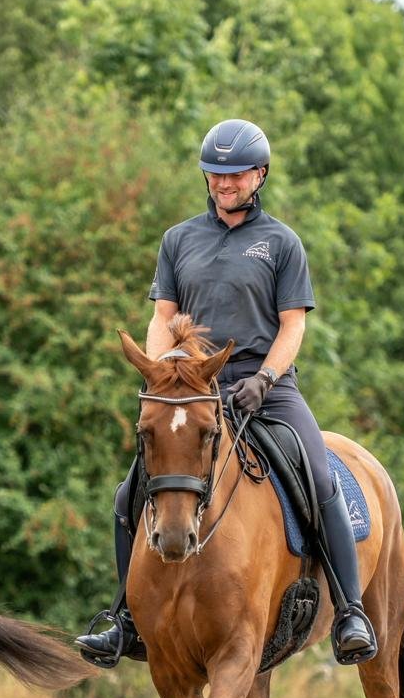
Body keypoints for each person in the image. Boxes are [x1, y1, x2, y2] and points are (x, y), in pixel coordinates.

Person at [75, 118, 377, 668]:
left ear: (260, 175)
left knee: (320, 478)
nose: (225, 183)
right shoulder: (178, 239)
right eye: (216, 174)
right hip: (195, 389)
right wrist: (163, 372)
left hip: (266, 387)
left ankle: (351, 612)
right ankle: (125, 620)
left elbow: (293, 324)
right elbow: (163, 317)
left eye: (236, 174)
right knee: (128, 493)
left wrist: (265, 378)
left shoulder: (281, 242)